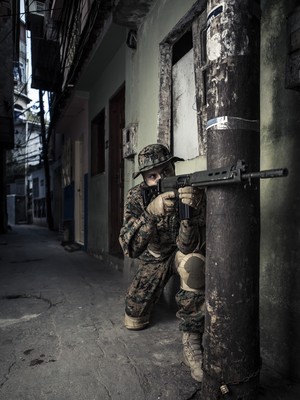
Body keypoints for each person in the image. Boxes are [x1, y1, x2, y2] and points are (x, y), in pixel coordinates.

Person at [119, 143, 206, 382]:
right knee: (134, 319)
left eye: (166, 171)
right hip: (153, 258)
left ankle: (192, 340)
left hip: (180, 252)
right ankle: (150, 297)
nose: (160, 179)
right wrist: (150, 212)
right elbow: (130, 248)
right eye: (152, 176)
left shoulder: (188, 190)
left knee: (194, 264)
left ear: (173, 167)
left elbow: (189, 245)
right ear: (144, 179)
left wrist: (195, 210)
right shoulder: (136, 196)